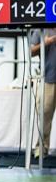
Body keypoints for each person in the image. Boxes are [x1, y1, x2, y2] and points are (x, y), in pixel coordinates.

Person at [30, 28, 56, 159]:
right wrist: (46, 42)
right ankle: (42, 147)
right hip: (48, 78)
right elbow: (31, 51)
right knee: (44, 114)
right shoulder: (40, 29)